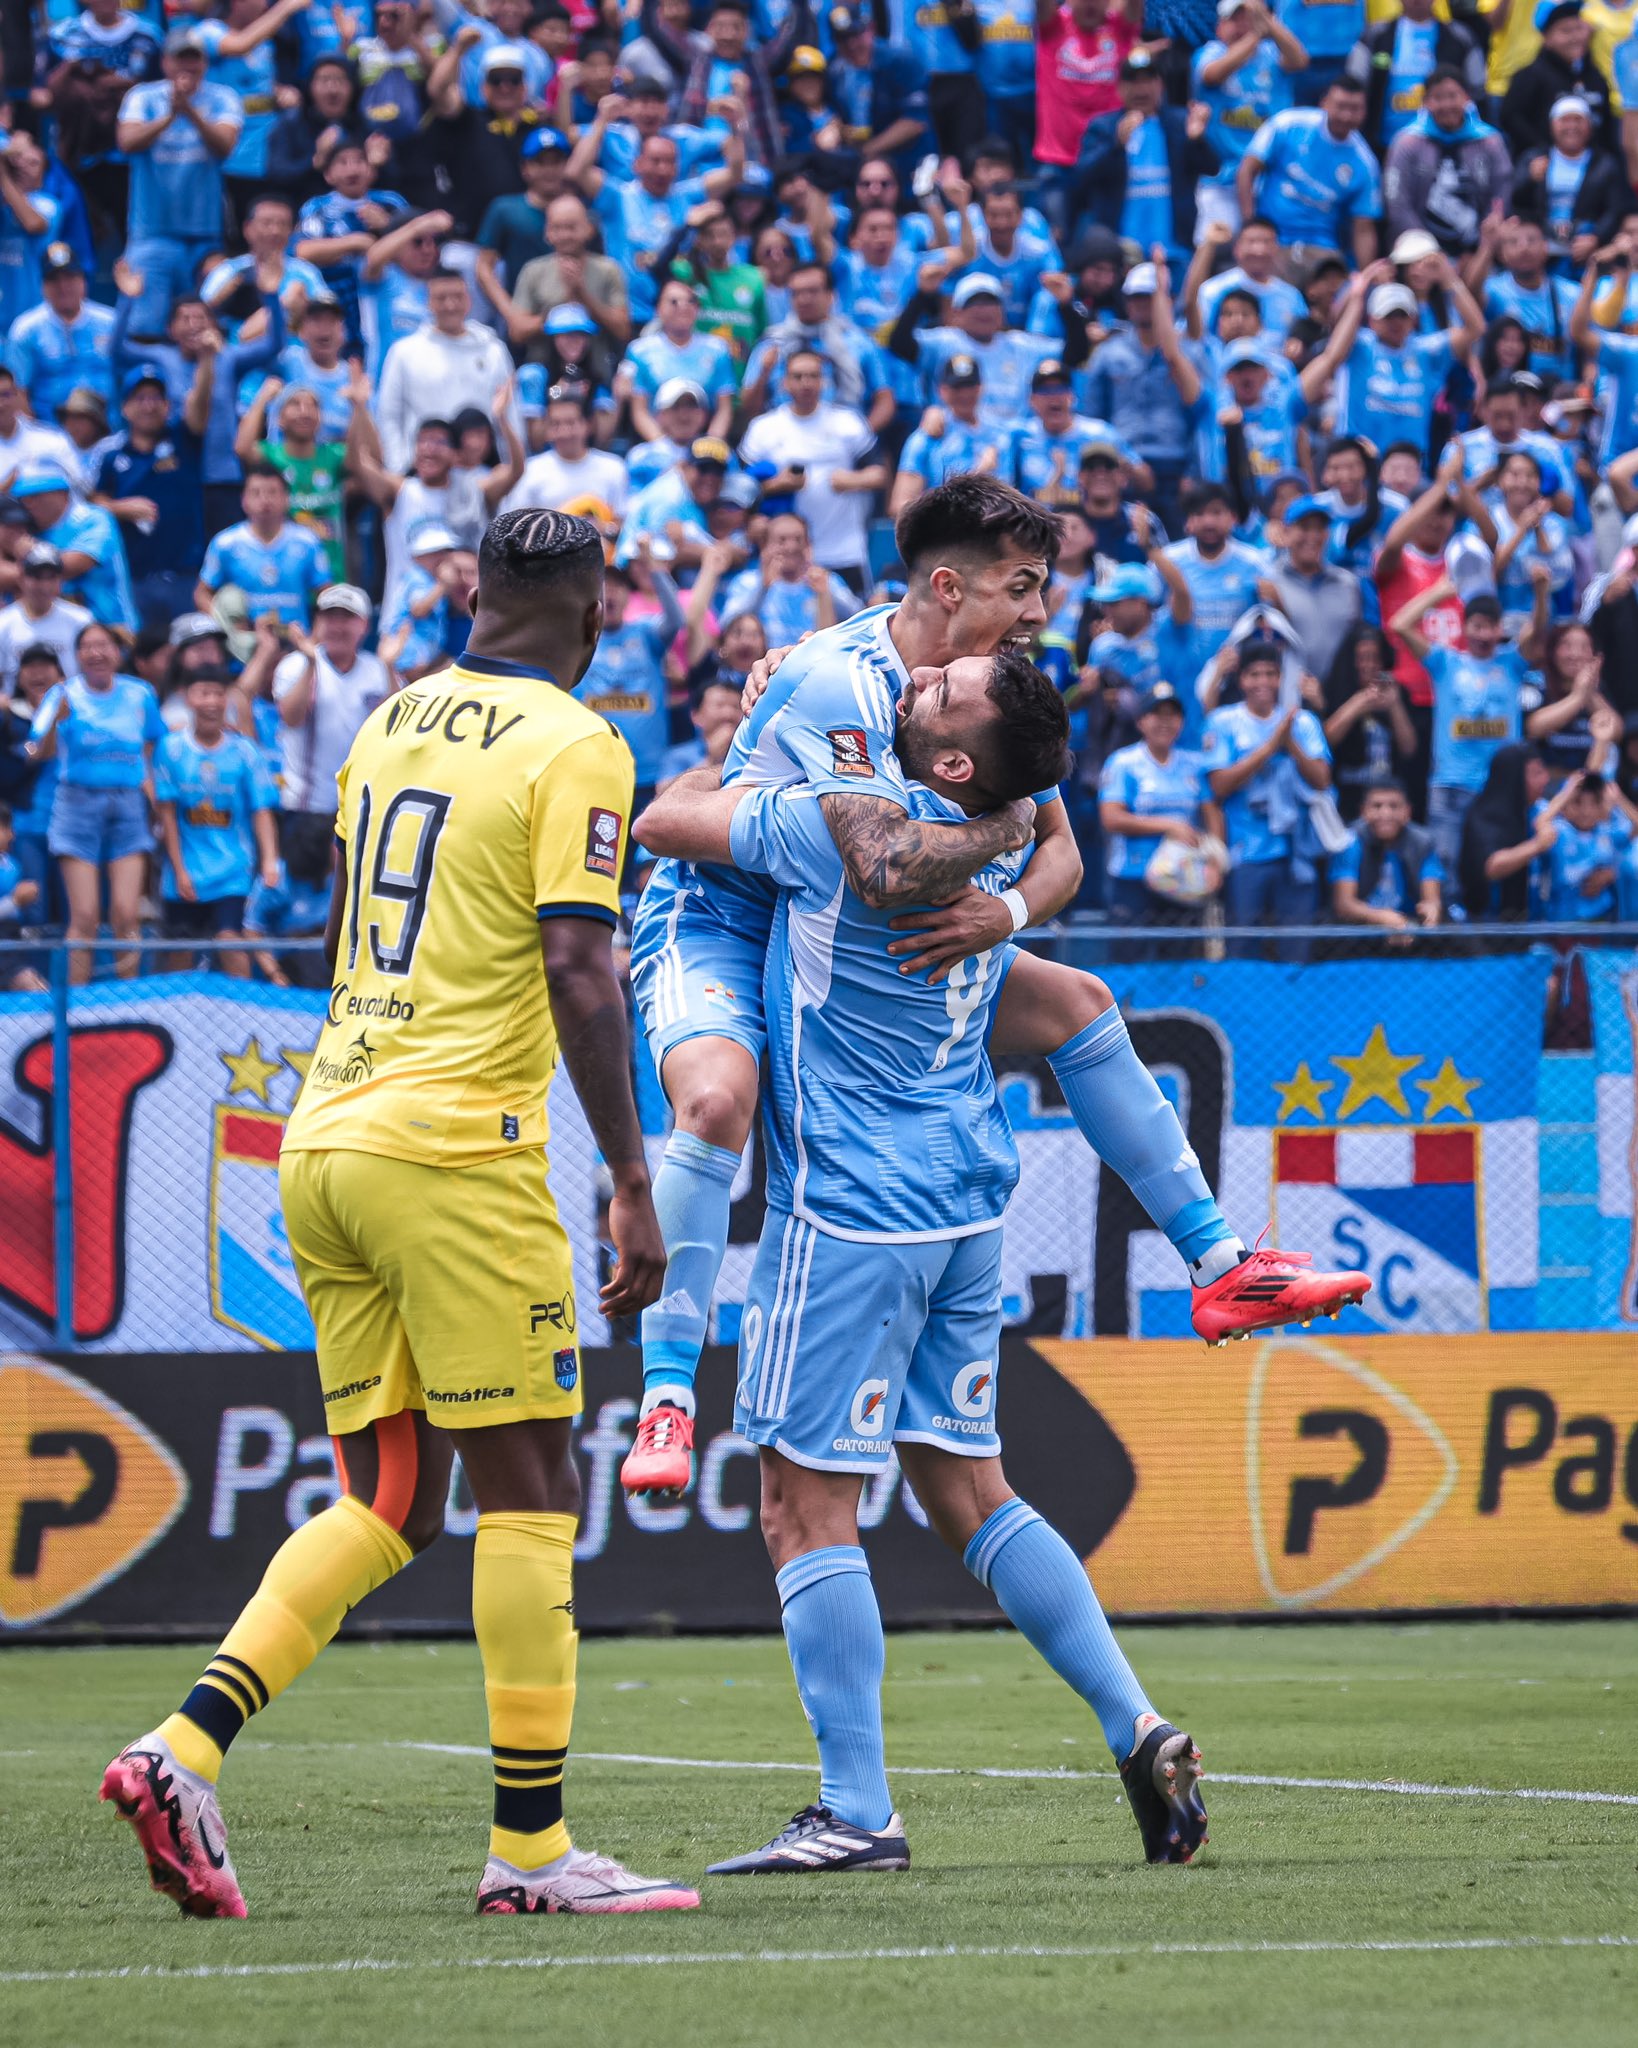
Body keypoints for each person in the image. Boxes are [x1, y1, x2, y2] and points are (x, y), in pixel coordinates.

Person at [101, 506, 689, 1919]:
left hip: (327, 1130)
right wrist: (625, 1170)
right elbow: (579, 965)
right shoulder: (579, 741)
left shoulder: (390, 717)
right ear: (592, 609)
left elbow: (341, 919)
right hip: (456, 1153)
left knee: (391, 1496)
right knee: (535, 1493)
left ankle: (181, 1749)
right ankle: (535, 1858)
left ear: (476, 593)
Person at [621, 477, 1368, 1498]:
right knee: (716, 1099)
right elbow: (892, 856)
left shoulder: (987, 686)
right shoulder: (846, 679)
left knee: (1080, 1002)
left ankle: (1220, 1263)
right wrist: (1000, 831)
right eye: (1024, 585)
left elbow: (1061, 852)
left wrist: (1006, 912)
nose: (1040, 610)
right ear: (948, 584)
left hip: (851, 926)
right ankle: (665, 1393)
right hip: (725, 916)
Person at [635, 648, 1211, 1875]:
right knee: (970, 1489)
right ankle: (1136, 1723)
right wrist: (1013, 820)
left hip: (849, 1213)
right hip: (964, 1203)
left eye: (938, 694)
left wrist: (760, 723)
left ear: (949, 760)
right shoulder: (994, 850)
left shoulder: (839, 837)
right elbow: (1035, 840)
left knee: (802, 1507)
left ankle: (856, 1810)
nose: (907, 684)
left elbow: (668, 820)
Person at [25, 620, 164, 984]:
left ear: (118, 654)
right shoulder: (63, 695)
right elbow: (38, 751)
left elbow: (153, 745)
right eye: (87, 646)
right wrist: (56, 722)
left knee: (125, 914)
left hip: (129, 806)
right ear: (77, 657)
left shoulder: (141, 694)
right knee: (84, 917)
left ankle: (129, 1004)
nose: (96, 652)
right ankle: (77, 1010)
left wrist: (153, 798)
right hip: (77, 805)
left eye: (104, 645)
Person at [1390, 578, 1543, 871]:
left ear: (1501, 629)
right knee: (1444, 867)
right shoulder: (1445, 663)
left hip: (1500, 788)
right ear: (1464, 627)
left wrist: (1539, 592)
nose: (1484, 634)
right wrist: (1437, 593)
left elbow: (1538, 630)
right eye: (1477, 625)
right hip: (1451, 785)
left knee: (1498, 868)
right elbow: (1400, 626)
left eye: (1491, 626)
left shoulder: (1512, 662)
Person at [115, 27, 244, 338]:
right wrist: (169, 117)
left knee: (201, 328)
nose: (187, 67)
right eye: (179, 59)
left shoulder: (223, 98)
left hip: (205, 235)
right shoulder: (143, 97)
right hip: (151, 232)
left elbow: (224, 146)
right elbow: (127, 142)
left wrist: (191, 113)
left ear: (204, 63)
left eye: (194, 59)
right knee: (144, 325)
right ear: (165, 63)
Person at [1203, 633, 1334, 932]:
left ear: (1280, 678)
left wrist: (1292, 746)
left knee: (1296, 943)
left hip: (1296, 853)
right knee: (1244, 945)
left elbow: (1322, 780)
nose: (1262, 682)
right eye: (1254, 674)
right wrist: (1270, 747)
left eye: (1271, 674)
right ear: (1241, 679)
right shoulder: (1222, 722)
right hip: (1244, 854)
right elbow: (1219, 786)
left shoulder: (1301, 722)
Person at [154, 664, 280, 973]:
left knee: (230, 940)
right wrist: (179, 870)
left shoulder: (245, 751)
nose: (211, 701)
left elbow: (261, 809)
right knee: (180, 952)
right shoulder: (170, 749)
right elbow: (167, 815)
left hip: (232, 870)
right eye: (203, 693)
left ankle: (246, 1016)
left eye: (218, 694)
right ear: (187, 698)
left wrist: (270, 860)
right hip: (186, 874)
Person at [268, 583, 392, 890]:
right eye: (330, 617)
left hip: (362, 808)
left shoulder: (378, 670)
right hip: (307, 806)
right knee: (303, 902)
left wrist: (390, 666)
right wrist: (311, 662)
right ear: (318, 622)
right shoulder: (295, 664)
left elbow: (398, 730)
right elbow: (291, 716)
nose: (337, 626)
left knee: (353, 896)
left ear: (363, 625)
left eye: (347, 618)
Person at [736, 346, 886, 587]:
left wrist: (853, 480)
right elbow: (740, 490)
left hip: (843, 550)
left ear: (823, 381)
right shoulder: (763, 428)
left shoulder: (847, 423)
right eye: (797, 376)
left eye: (813, 376)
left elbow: (880, 474)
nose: (806, 383)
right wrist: (775, 485)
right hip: (786, 555)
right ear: (784, 382)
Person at [1099, 680, 1224, 926]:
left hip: (1184, 877)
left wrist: (1216, 861)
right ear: (1141, 721)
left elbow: (1212, 813)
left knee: (1183, 958)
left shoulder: (1193, 764)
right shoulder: (1124, 762)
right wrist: (1168, 825)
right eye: (1156, 714)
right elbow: (1111, 818)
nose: (1165, 722)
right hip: (1134, 876)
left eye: (1173, 715)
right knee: (1133, 959)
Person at [1235, 74, 1382, 270]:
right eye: (1341, 106)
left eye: (1355, 109)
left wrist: (1365, 277)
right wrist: (1250, 224)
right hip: (1273, 239)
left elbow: (1363, 228)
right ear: (1324, 103)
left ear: (1365, 112)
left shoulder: (1365, 162)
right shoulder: (1289, 124)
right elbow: (1247, 169)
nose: (1346, 116)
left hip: (1321, 247)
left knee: (1334, 288)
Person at [194, 465, 332, 629]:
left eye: (272, 492)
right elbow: (202, 594)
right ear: (243, 500)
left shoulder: (308, 542)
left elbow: (326, 594)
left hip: (296, 642)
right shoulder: (225, 543)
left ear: (287, 499)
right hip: (245, 645)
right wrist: (228, 630)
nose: (265, 500)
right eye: (256, 493)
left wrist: (316, 636)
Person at [1330, 776, 1443, 930]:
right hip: (1361, 929)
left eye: (1394, 806)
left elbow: (1431, 898)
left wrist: (1431, 910)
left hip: (1410, 925)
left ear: (1407, 811)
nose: (1385, 814)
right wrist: (1382, 918)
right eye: (1377, 806)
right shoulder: (1350, 842)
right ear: (1363, 811)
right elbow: (1344, 904)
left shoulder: (1423, 843)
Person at [0, 544, 91, 683]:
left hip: (69, 700)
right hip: (17, 702)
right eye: (37, 577)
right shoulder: (3, 622)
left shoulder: (81, 620)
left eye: (51, 577)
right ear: (21, 579)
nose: (45, 586)